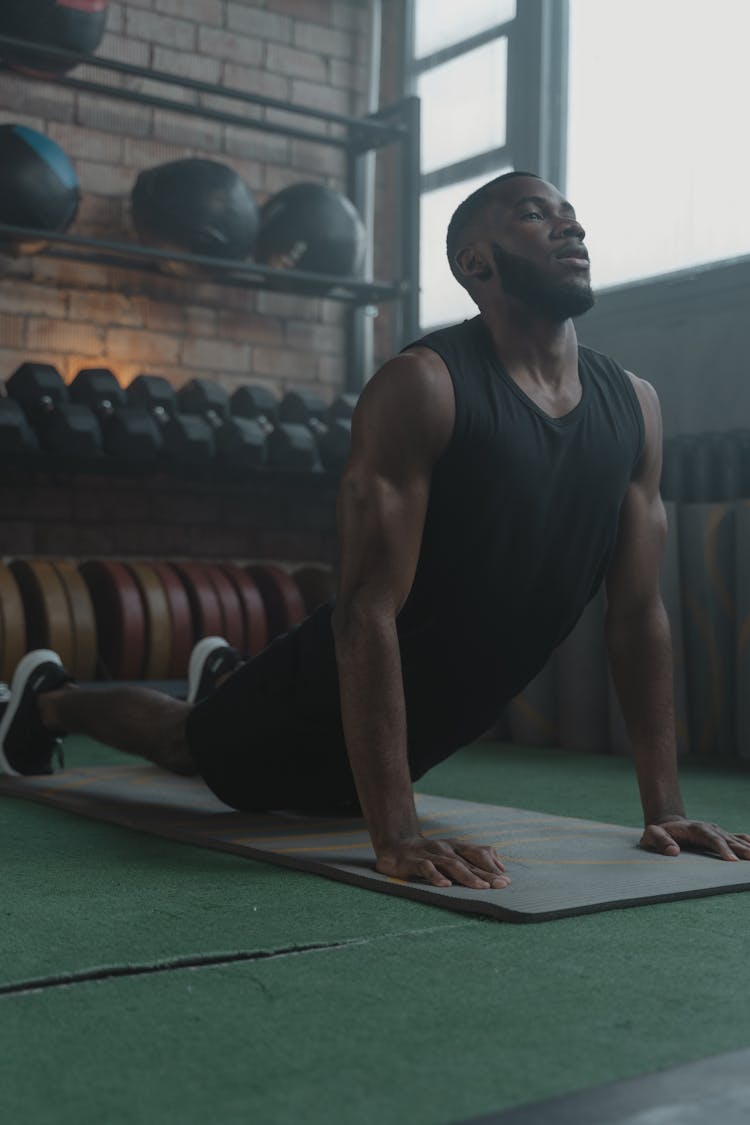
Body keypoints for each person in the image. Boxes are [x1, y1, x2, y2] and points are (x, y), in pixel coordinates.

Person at [2, 171, 748, 891]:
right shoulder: (423, 386)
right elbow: (364, 608)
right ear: (475, 262)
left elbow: (638, 615)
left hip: (423, 726)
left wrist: (667, 809)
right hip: (331, 688)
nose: (570, 224)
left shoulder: (636, 408)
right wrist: (394, 832)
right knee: (185, 743)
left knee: (296, 784)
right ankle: (48, 698)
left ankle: (229, 679)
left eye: (571, 212)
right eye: (533, 212)